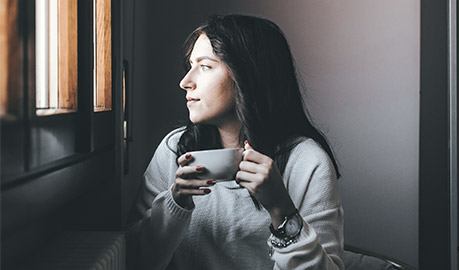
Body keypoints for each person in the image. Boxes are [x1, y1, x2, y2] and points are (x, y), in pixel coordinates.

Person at [127, 14, 344, 270]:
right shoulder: (175, 150)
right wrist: (175, 204)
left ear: (247, 75)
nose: (185, 82)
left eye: (205, 66)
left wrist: (281, 210)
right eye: (190, 65)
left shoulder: (307, 162)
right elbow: (134, 262)